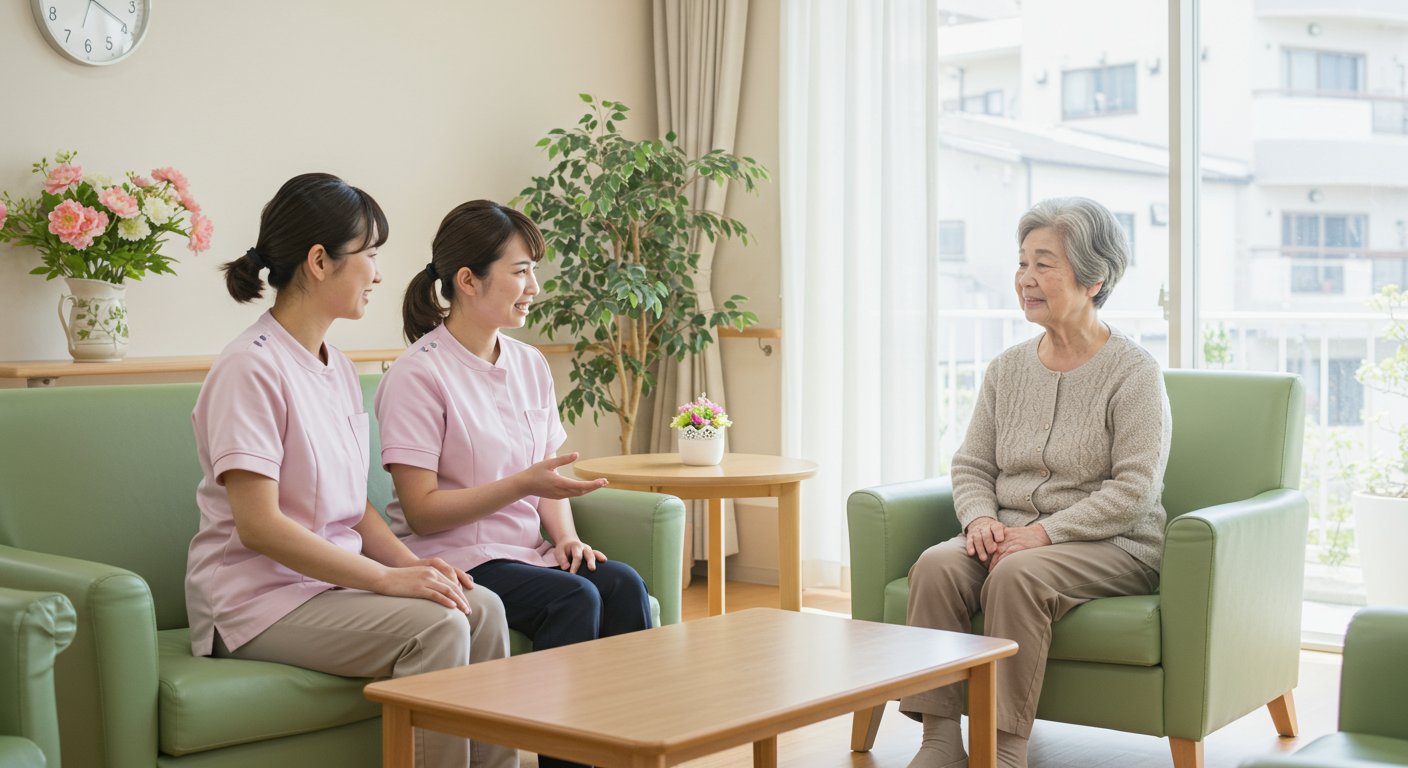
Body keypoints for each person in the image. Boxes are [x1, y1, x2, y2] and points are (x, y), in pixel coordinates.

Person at [184, 174, 516, 768]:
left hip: (326, 586)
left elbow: (351, 505)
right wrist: (385, 581)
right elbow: (259, 527)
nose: (380, 274)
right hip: (257, 602)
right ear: (319, 261)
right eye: (370, 255)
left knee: (481, 604)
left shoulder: (336, 366)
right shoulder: (249, 369)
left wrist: (417, 567)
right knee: (437, 627)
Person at [375, 199, 654, 768]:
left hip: (525, 553)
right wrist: (521, 485)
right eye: (521, 270)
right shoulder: (417, 375)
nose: (535, 284)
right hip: (455, 556)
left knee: (620, 583)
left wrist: (566, 538)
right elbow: (422, 512)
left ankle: (632, 755)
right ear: (468, 280)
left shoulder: (528, 363)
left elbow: (546, 473)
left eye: (534, 269)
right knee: (572, 598)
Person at [901, 197, 1171, 768]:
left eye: (1044, 264)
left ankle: (1002, 749)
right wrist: (980, 519)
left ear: (1095, 279)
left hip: (1113, 543)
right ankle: (940, 739)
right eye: (1023, 263)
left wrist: (1045, 534)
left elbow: (1136, 490)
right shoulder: (1007, 368)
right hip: (1011, 532)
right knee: (936, 566)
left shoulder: (1134, 372)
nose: (1025, 279)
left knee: (1018, 576)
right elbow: (972, 463)